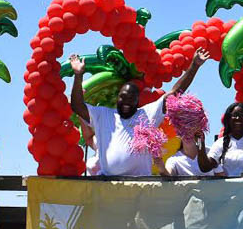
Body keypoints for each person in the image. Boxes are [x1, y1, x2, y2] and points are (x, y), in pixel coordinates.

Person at [69, 49, 209, 176]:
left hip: (140, 186)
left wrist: (194, 65)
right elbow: (77, 106)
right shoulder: (103, 114)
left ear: (137, 101)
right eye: (122, 97)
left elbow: (174, 93)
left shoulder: (147, 114)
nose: (126, 102)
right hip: (109, 186)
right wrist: (78, 75)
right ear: (118, 97)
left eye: (131, 99)